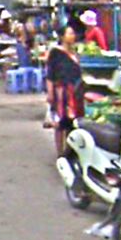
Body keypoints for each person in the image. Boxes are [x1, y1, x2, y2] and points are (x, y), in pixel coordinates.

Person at [45, 26, 84, 156]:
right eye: (69, 33)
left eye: (73, 33)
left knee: (71, 123)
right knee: (60, 123)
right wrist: (50, 93)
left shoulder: (76, 53)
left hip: (74, 92)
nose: (73, 36)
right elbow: (50, 75)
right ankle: (60, 152)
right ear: (62, 37)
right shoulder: (55, 53)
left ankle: (69, 150)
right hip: (61, 92)